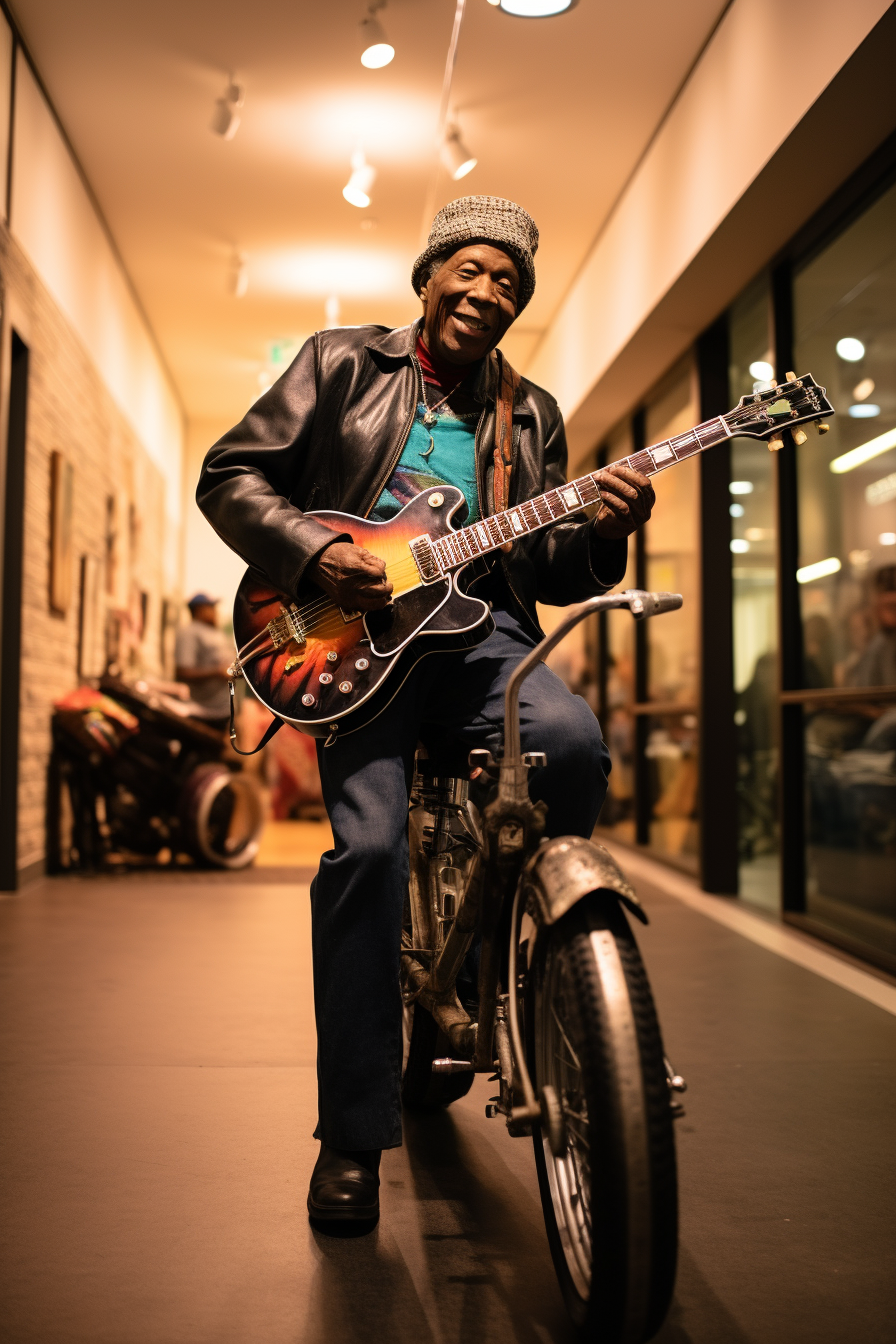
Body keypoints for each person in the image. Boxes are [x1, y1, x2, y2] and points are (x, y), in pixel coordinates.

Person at [197, 196, 655, 1229]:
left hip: (483, 635)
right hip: (356, 644)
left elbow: (545, 559)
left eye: (508, 285)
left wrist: (604, 533)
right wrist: (314, 555)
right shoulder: (339, 363)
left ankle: (515, 967)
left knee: (573, 747)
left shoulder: (525, 410)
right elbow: (230, 475)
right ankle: (353, 1135)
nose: (487, 294)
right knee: (364, 856)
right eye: (474, 270)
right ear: (430, 273)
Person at [174, 594, 233, 730]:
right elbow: (183, 672)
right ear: (200, 609)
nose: (215, 611)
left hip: (221, 710)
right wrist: (217, 672)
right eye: (211, 607)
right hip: (202, 712)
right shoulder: (189, 632)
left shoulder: (214, 632)